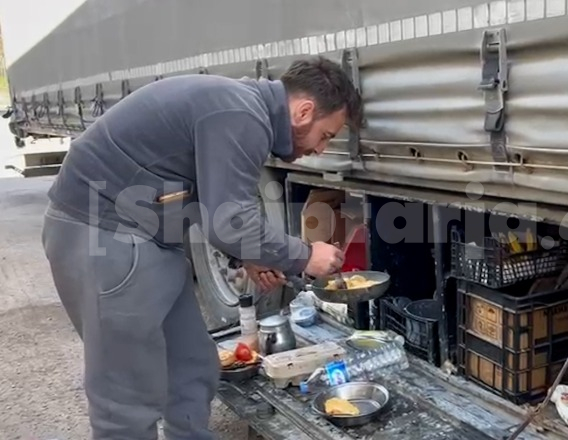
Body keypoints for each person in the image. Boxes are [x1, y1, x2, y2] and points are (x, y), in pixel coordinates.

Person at [40, 56, 362, 440]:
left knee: (192, 364)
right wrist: (306, 255)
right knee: (125, 397)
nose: (320, 150)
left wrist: (247, 253)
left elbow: (204, 197)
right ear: (304, 111)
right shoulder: (242, 114)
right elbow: (231, 221)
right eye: (325, 135)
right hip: (102, 234)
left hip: (147, 236)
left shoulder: (242, 108)